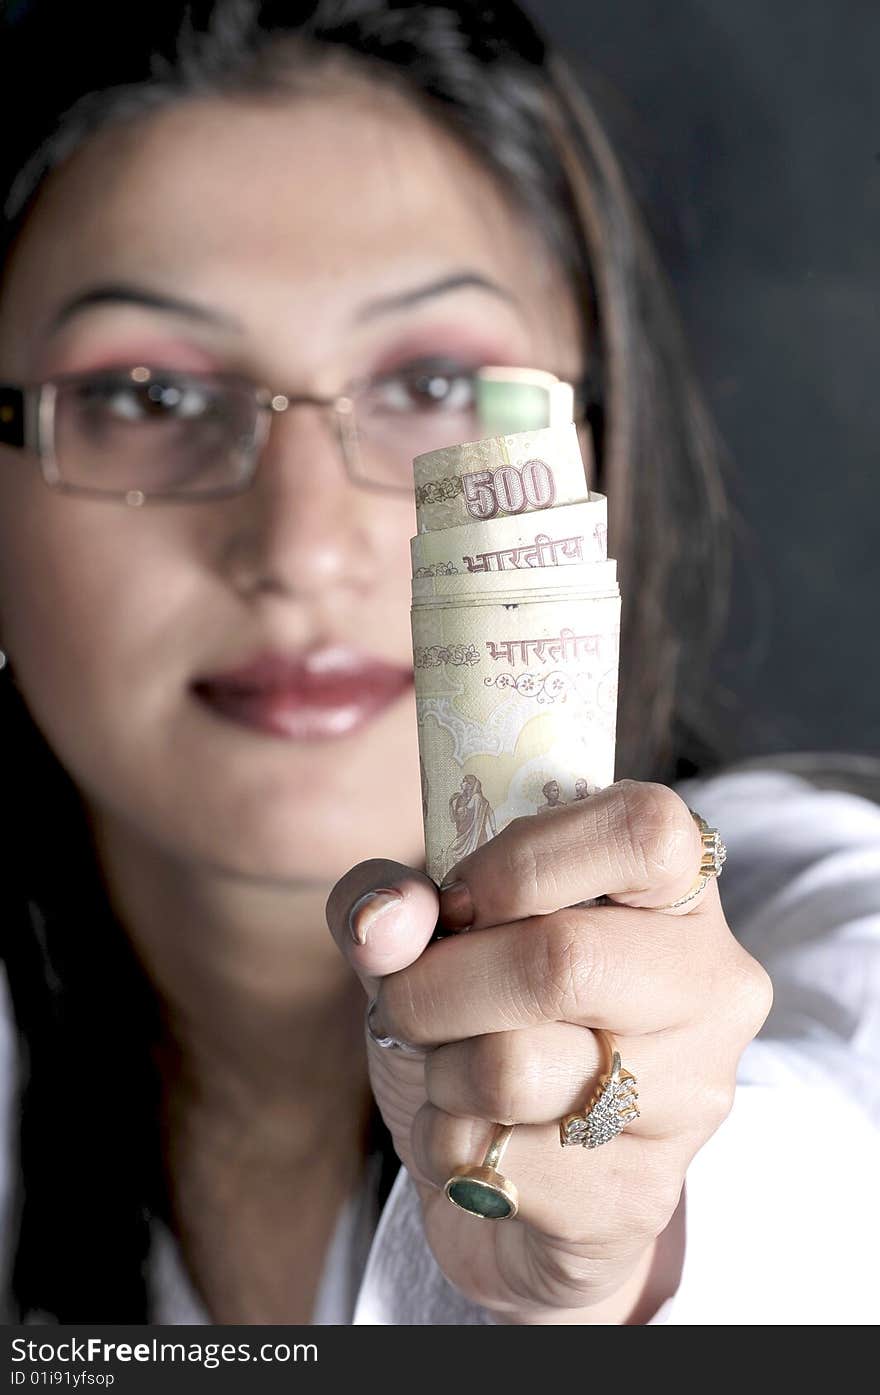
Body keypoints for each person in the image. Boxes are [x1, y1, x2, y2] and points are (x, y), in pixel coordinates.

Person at [0, 0, 877, 1327]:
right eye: (147, 396)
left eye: (430, 384)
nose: (302, 548)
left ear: (605, 451)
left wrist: (624, 1243)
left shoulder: (831, 924)